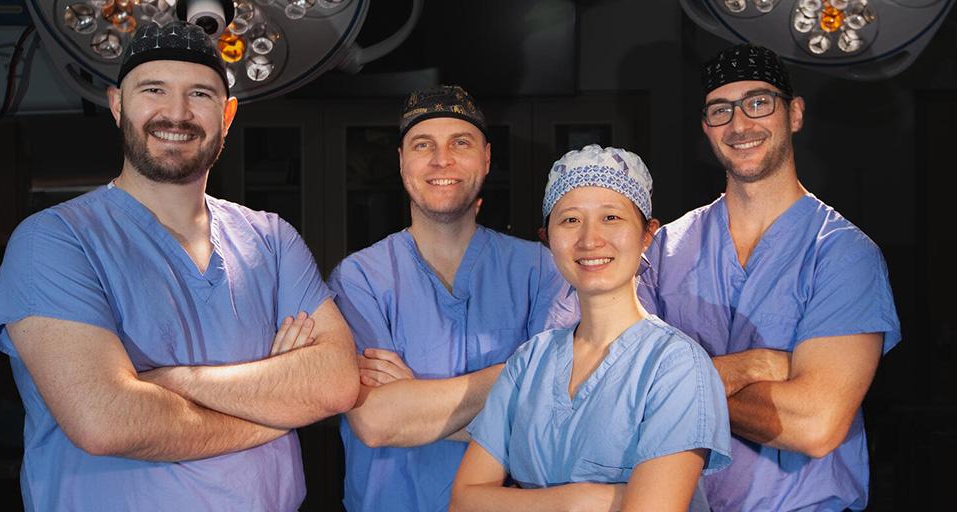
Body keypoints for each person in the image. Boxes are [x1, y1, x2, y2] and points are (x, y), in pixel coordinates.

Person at [0, 21, 359, 511]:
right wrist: (278, 407)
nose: (177, 114)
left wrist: (177, 381)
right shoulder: (55, 241)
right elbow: (107, 420)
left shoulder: (269, 239)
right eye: (154, 89)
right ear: (118, 104)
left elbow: (335, 381)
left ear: (226, 115)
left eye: (200, 94)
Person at [638, 44, 901, 511]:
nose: (740, 125)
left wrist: (672, 396)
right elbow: (617, 383)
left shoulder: (842, 253)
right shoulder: (665, 249)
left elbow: (814, 425)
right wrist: (756, 364)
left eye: (758, 103)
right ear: (706, 128)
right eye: (721, 110)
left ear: (794, 114)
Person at [328, 85, 579, 512]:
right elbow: (375, 421)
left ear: (485, 158)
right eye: (423, 144)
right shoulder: (359, 279)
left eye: (460, 143)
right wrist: (520, 377)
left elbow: (555, 418)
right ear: (402, 162)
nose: (441, 159)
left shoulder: (541, 270)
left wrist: (411, 401)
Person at [451, 144, 732, 512]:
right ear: (547, 238)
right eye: (570, 220)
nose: (589, 239)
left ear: (647, 234)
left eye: (611, 218)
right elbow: (463, 501)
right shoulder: (530, 362)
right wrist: (583, 499)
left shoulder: (677, 366)